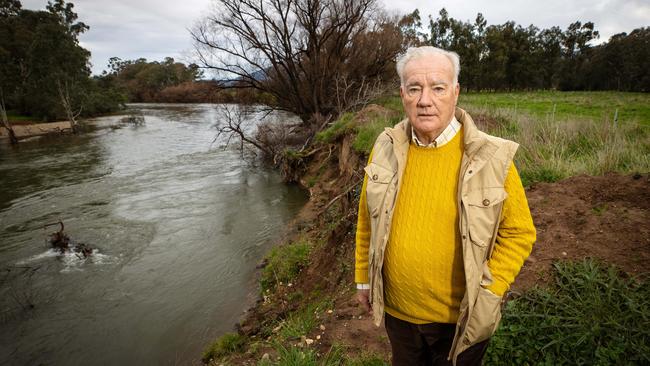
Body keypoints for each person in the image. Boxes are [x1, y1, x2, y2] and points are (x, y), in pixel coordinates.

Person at [354, 46, 536, 366]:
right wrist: (364, 279)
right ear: (402, 94)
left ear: (455, 92)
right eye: (414, 88)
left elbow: (519, 233)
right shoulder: (384, 147)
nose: (425, 100)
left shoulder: (492, 158)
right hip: (399, 316)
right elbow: (367, 219)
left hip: (461, 320)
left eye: (437, 88)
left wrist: (490, 291)